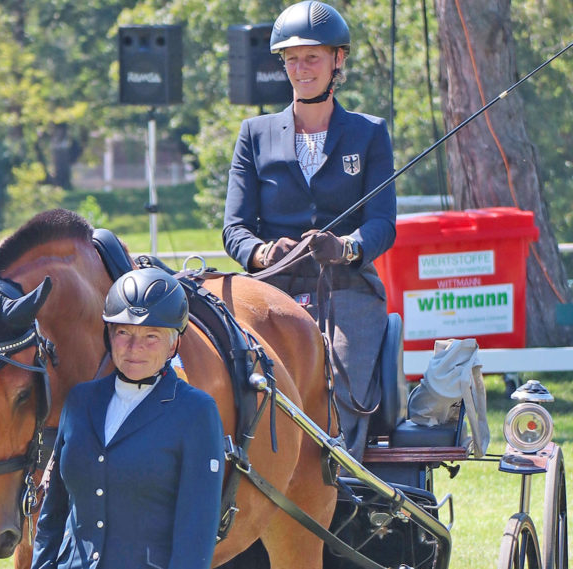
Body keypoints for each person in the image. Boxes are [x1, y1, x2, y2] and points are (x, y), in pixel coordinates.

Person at [222, 0, 396, 460]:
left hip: (347, 288)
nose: (301, 69)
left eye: (312, 57)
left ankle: (339, 475)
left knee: (337, 384)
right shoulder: (255, 134)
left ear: (338, 60)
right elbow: (235, 228)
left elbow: (382, 223)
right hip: (271, 291)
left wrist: (346, 247)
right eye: (292, 59)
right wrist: (262, 254)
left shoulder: (370, 134)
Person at [31, 268, 225, 569]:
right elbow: (53, 513)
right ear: (109, 336)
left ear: (173, 345)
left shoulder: (196, 412)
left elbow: (196, 532)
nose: (135, 349)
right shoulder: (80, 401)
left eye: (151, 336)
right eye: (124, 333)